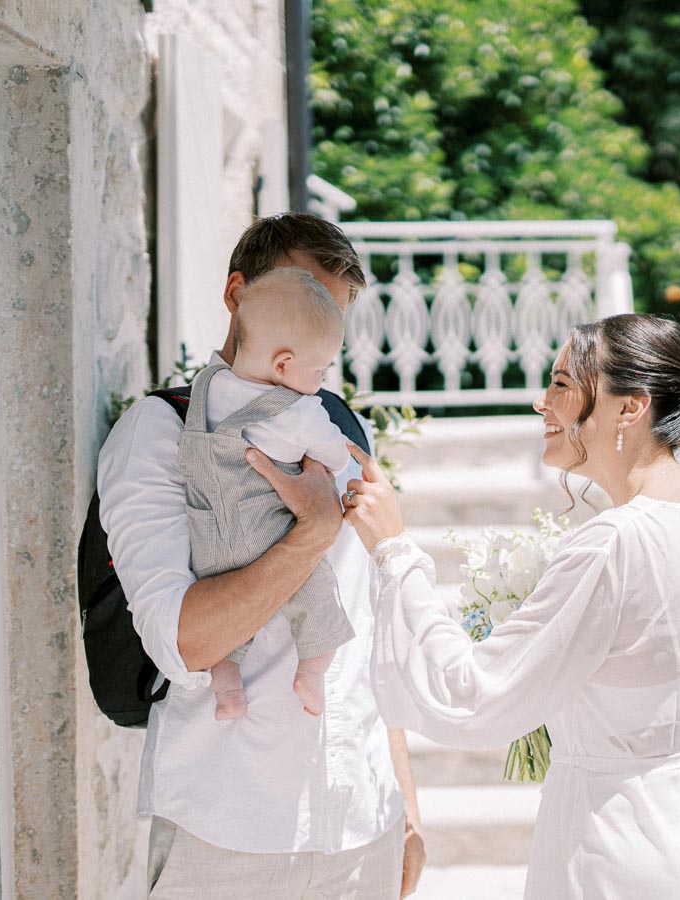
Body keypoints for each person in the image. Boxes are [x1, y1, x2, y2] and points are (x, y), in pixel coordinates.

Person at [342, 313, 680, 899]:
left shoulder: (616, 541)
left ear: (629, 407)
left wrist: (393, 551)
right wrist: (658, 755)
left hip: (615, 848)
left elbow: (475, 695)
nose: (543, 403)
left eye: (563, 384)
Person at [97, 214, 425, 898]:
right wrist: (310, 530)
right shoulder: (155, 436)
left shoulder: (339, 423)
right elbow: (183, 642)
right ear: (237, 295)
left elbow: (366, 622)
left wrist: (406, 801)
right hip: (229, 829)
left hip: (362, 820)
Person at [181, 267, 357, 720]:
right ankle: (312, 675)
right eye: (320, 368)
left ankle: (227, 690)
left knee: (228, 632)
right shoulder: (296, 410)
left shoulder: (207, 386)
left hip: (209, 538)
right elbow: (336, 458)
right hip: (267, 534)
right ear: (283, 365)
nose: (321, 379)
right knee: (317, 594)